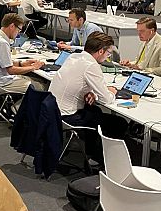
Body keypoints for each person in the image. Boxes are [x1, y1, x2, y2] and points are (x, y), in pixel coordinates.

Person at [49, 32, 128, 163]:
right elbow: (107, 99)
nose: (108, 56)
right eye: (108, 53)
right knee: (119, 123)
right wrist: (112, 91)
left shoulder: (74, 56)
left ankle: (92, 152)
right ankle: (104, 160)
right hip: (67, 116)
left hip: (54, 111)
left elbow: (77, 82)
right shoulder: (92, 65)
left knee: (95, 111)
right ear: (101, 51)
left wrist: (92, 92)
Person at [0, 13, 45, 97]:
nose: (18, 33)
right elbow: (11, 71)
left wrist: (21, 64)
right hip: (3, 83)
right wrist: (33, 67)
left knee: (34, 80)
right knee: (40, 87)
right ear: (12, 26)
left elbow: (2, 63)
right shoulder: (1, 43)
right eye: (18, 30)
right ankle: (18, 109)